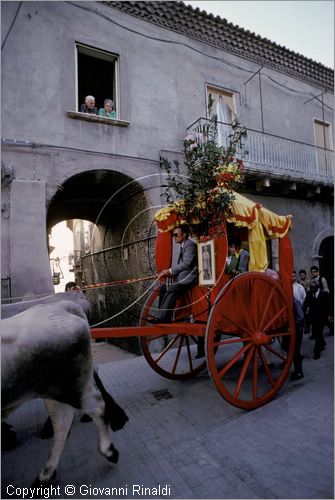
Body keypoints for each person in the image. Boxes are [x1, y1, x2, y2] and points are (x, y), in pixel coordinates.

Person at [151, 225, 198, 324]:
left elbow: (187, 263)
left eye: (176, 235)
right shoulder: (183, 245)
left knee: (172, 288)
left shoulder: (190, 245)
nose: (174, 237)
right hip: (183, 276)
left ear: (184, 234)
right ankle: (161, 314)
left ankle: (164, 317)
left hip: (190, 278)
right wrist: (171, 273)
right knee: (163, 287)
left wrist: (171, 271)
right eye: (173, 235)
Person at [303, 278, 330, 360]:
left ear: (318, 285)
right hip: (313, 318)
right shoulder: (309, 294)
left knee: (318, 334)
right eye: (311, 284)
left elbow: (328, 306)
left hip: (322, 318)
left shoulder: (323, 294)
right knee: (318, 333)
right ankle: (323, 344)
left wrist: (330, 315)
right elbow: (305, 305)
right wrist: (305, 315)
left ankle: (316, 352)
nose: (312, 285)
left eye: (314, 284)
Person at [289, 297, 305, 380]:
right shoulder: (292, 301)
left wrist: (294, 325)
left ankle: (299, 372)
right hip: (293, 329)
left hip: (297, 329)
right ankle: (298, 367)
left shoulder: (295, 301)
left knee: (296, 351)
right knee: (293, 350)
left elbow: (300, 316)